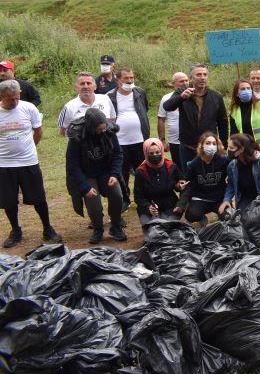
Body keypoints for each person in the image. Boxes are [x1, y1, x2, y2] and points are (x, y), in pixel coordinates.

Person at [0, 80, 61, 247]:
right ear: (1, 97)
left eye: (16, 97)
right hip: (4, 164)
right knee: (9, 201)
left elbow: (38, 130)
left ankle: (48, 228)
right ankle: (16, 230)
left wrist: (30, 148)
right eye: (9, 99)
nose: (14, 101)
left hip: (28, 162)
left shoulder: (29, 108)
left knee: (38, 197)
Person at [65, 108, 126, 243]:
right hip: (86, 174)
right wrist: (84, 187)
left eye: (104, 128)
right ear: (91, 127)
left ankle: (115, 226)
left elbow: (118, 154)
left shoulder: (109, 131)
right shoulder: (77, 137)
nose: (102, 131)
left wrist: (115, 174)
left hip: (106, 172)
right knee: (93, 202)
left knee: (117, 195)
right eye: (99, 129)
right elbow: (72, 165)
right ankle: (98, 229)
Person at [163, 63, 229, 170]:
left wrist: (224, 146)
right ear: (191, 78)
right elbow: (167, 106)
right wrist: (181, 97)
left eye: (205, 74)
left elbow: (223, 122)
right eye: (198, 75)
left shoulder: (216, 96)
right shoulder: (182, 92)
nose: (202, 78)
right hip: (188, 147)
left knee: (210, 177)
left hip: (209, 147)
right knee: (189, 178)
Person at [107, 67, 151, 208]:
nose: (130, 80)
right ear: (117, 79)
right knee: (122, 172)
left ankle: (143, 198)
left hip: (139, 139)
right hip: (119, 141)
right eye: (126, 78)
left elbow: (145, 109)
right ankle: (124, 200)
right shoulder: (109, 97)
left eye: (132, 78)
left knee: (142, 171)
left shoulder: (140, 93)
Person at [133, 138, 188, 226]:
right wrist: (148, 207)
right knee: (153, 229)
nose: (155, 155)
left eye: (157, 152)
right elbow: (138, 197)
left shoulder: (171, 166)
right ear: (146, 153)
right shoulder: (140, 172)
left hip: (170, 205)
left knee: (168, 227)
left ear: (162, 151)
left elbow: (185, 187)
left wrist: (180, 204)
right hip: (150, 207)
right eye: (151, 153)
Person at [181, 132, 229, 225]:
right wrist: (181, 186)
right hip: (201, 198)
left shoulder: (223, 160)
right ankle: (202, 217)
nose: (211, 146)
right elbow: (186, 183)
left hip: (219, 199)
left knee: (228, 216)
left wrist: (227, 199)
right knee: (191, 215)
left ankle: (221, 216)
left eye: (214, 143)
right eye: (208, 143)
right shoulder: (193, 164)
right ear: (201, 145)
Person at [222, 134, 260, 212]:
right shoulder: (232, 165)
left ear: (241, 149)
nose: (229, 150)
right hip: (245, 199)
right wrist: (226, 199)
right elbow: (231, 184)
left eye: (231, 148)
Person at [158, 72, 188, 168]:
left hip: (191, 140)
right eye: (181, 81)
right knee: (178, 168)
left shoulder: (193, 96)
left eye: (186, 80)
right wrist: (162, 140)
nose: (185, 83)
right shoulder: (166, 98)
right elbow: (161, 120)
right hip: (175, 141)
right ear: (173, 83)